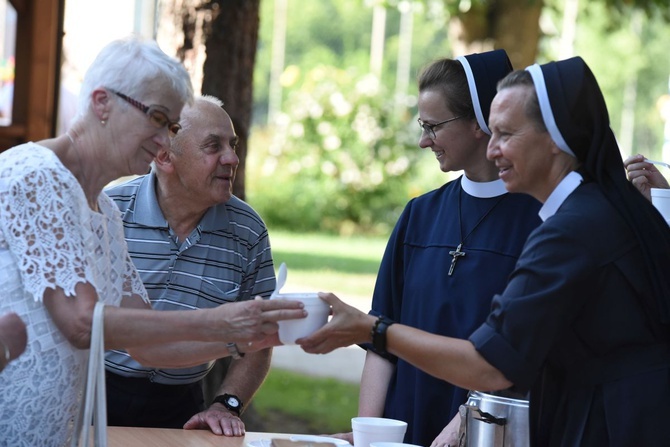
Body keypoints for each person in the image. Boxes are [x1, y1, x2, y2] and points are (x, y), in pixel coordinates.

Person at [299, 56, 670, 446]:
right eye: (491, 133)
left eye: (506, 134)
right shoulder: (601, 210)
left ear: (556, 140)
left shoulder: (572, 230)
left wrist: (371, 329)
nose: (492, 150)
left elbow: (493, 364)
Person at [0, 36, 304, 447]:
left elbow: (146, 345)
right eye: (157, 118)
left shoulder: (103, 210)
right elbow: (81, 323)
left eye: (172, 127)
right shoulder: (37, 174)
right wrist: (221, 321)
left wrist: (248, 336)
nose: (164, 141)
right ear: (102, 102)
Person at [331, 50, 540, 447]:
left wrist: (467, 421)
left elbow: (527, 353)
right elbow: (380, 335)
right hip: (404, 428)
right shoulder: (419, 214)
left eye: (433, 126)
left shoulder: (537, 220)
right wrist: (369, 433)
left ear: (479, 122)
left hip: (487, 433)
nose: (424, 140)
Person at [104, 95, 275, 437]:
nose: (232, 158)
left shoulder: (248, 231)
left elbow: (261, 337)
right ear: (165, 156)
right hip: (99, 392)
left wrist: (226, 403)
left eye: (233, 144)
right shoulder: (109, 214)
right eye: (213, 146)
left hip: (183, 405)